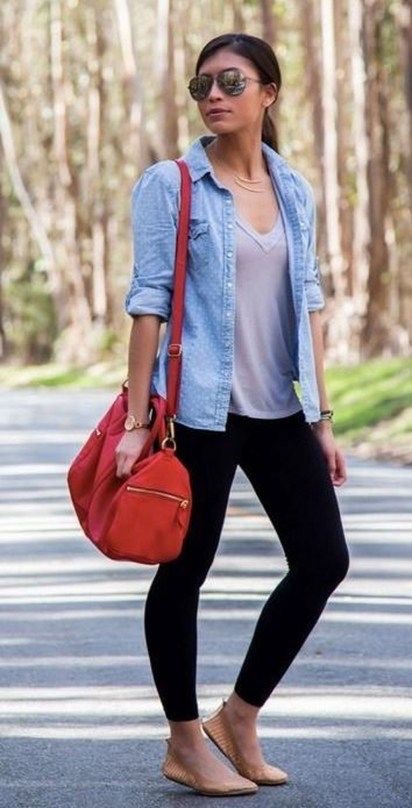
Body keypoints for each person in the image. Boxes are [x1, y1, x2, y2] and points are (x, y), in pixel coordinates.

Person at [115, 31, 350, 798]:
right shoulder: (172, 183)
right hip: (202, 411)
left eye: (231, 82)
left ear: (269, 93)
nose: (213, 95)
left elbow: (308, 300)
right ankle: (185, 741)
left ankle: (238, 717)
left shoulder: (293, 189)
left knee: (323, 561)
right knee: (185, 571)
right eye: (202, 85)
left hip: (279, 405)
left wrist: (321, 418)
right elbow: (149, 301)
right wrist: (136, 421)